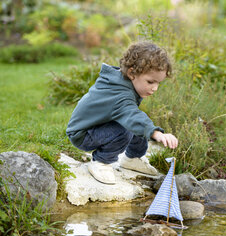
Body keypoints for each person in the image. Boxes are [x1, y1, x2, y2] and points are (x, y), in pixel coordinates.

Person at [66, 41, 178, 185]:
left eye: (158, 83)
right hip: (83, 134)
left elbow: (133, 116)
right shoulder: (119, 93)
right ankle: (101, 162)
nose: (155, 88)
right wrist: (156, 133)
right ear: (132, 73)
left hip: (99, 126)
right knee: (128, 126)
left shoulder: (123, 83)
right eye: (150, 82)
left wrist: (148, 128)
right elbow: (132, 117)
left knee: (137, 122)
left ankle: (132, 158)